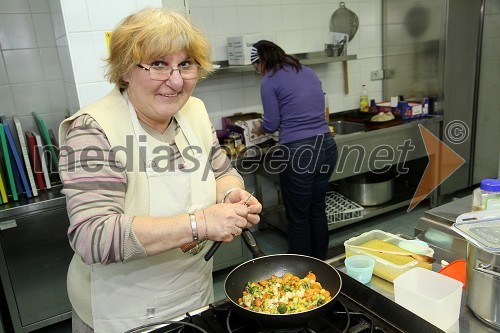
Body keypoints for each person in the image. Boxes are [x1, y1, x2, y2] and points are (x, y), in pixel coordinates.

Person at [58, 8, 261, 333]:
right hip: (124, 312)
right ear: (125, 70)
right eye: (158, 65)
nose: (177, 80)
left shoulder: (193, 110)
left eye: (185, 64)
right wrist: (202, 223)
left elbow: (222, 170)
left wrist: (230, 194)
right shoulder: (94, 130)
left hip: (192, 295)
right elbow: (92, 236)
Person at [250, 40, 337, 261]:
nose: (258, 72)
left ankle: (300, 271)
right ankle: (320, 263)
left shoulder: (269, 81)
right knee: (317, 209)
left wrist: (258, 127)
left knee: (298, 216)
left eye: (255, 67)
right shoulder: (306, 70)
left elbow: (271, 124)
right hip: (326, 144)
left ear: (260, 62)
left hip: (299, 152)